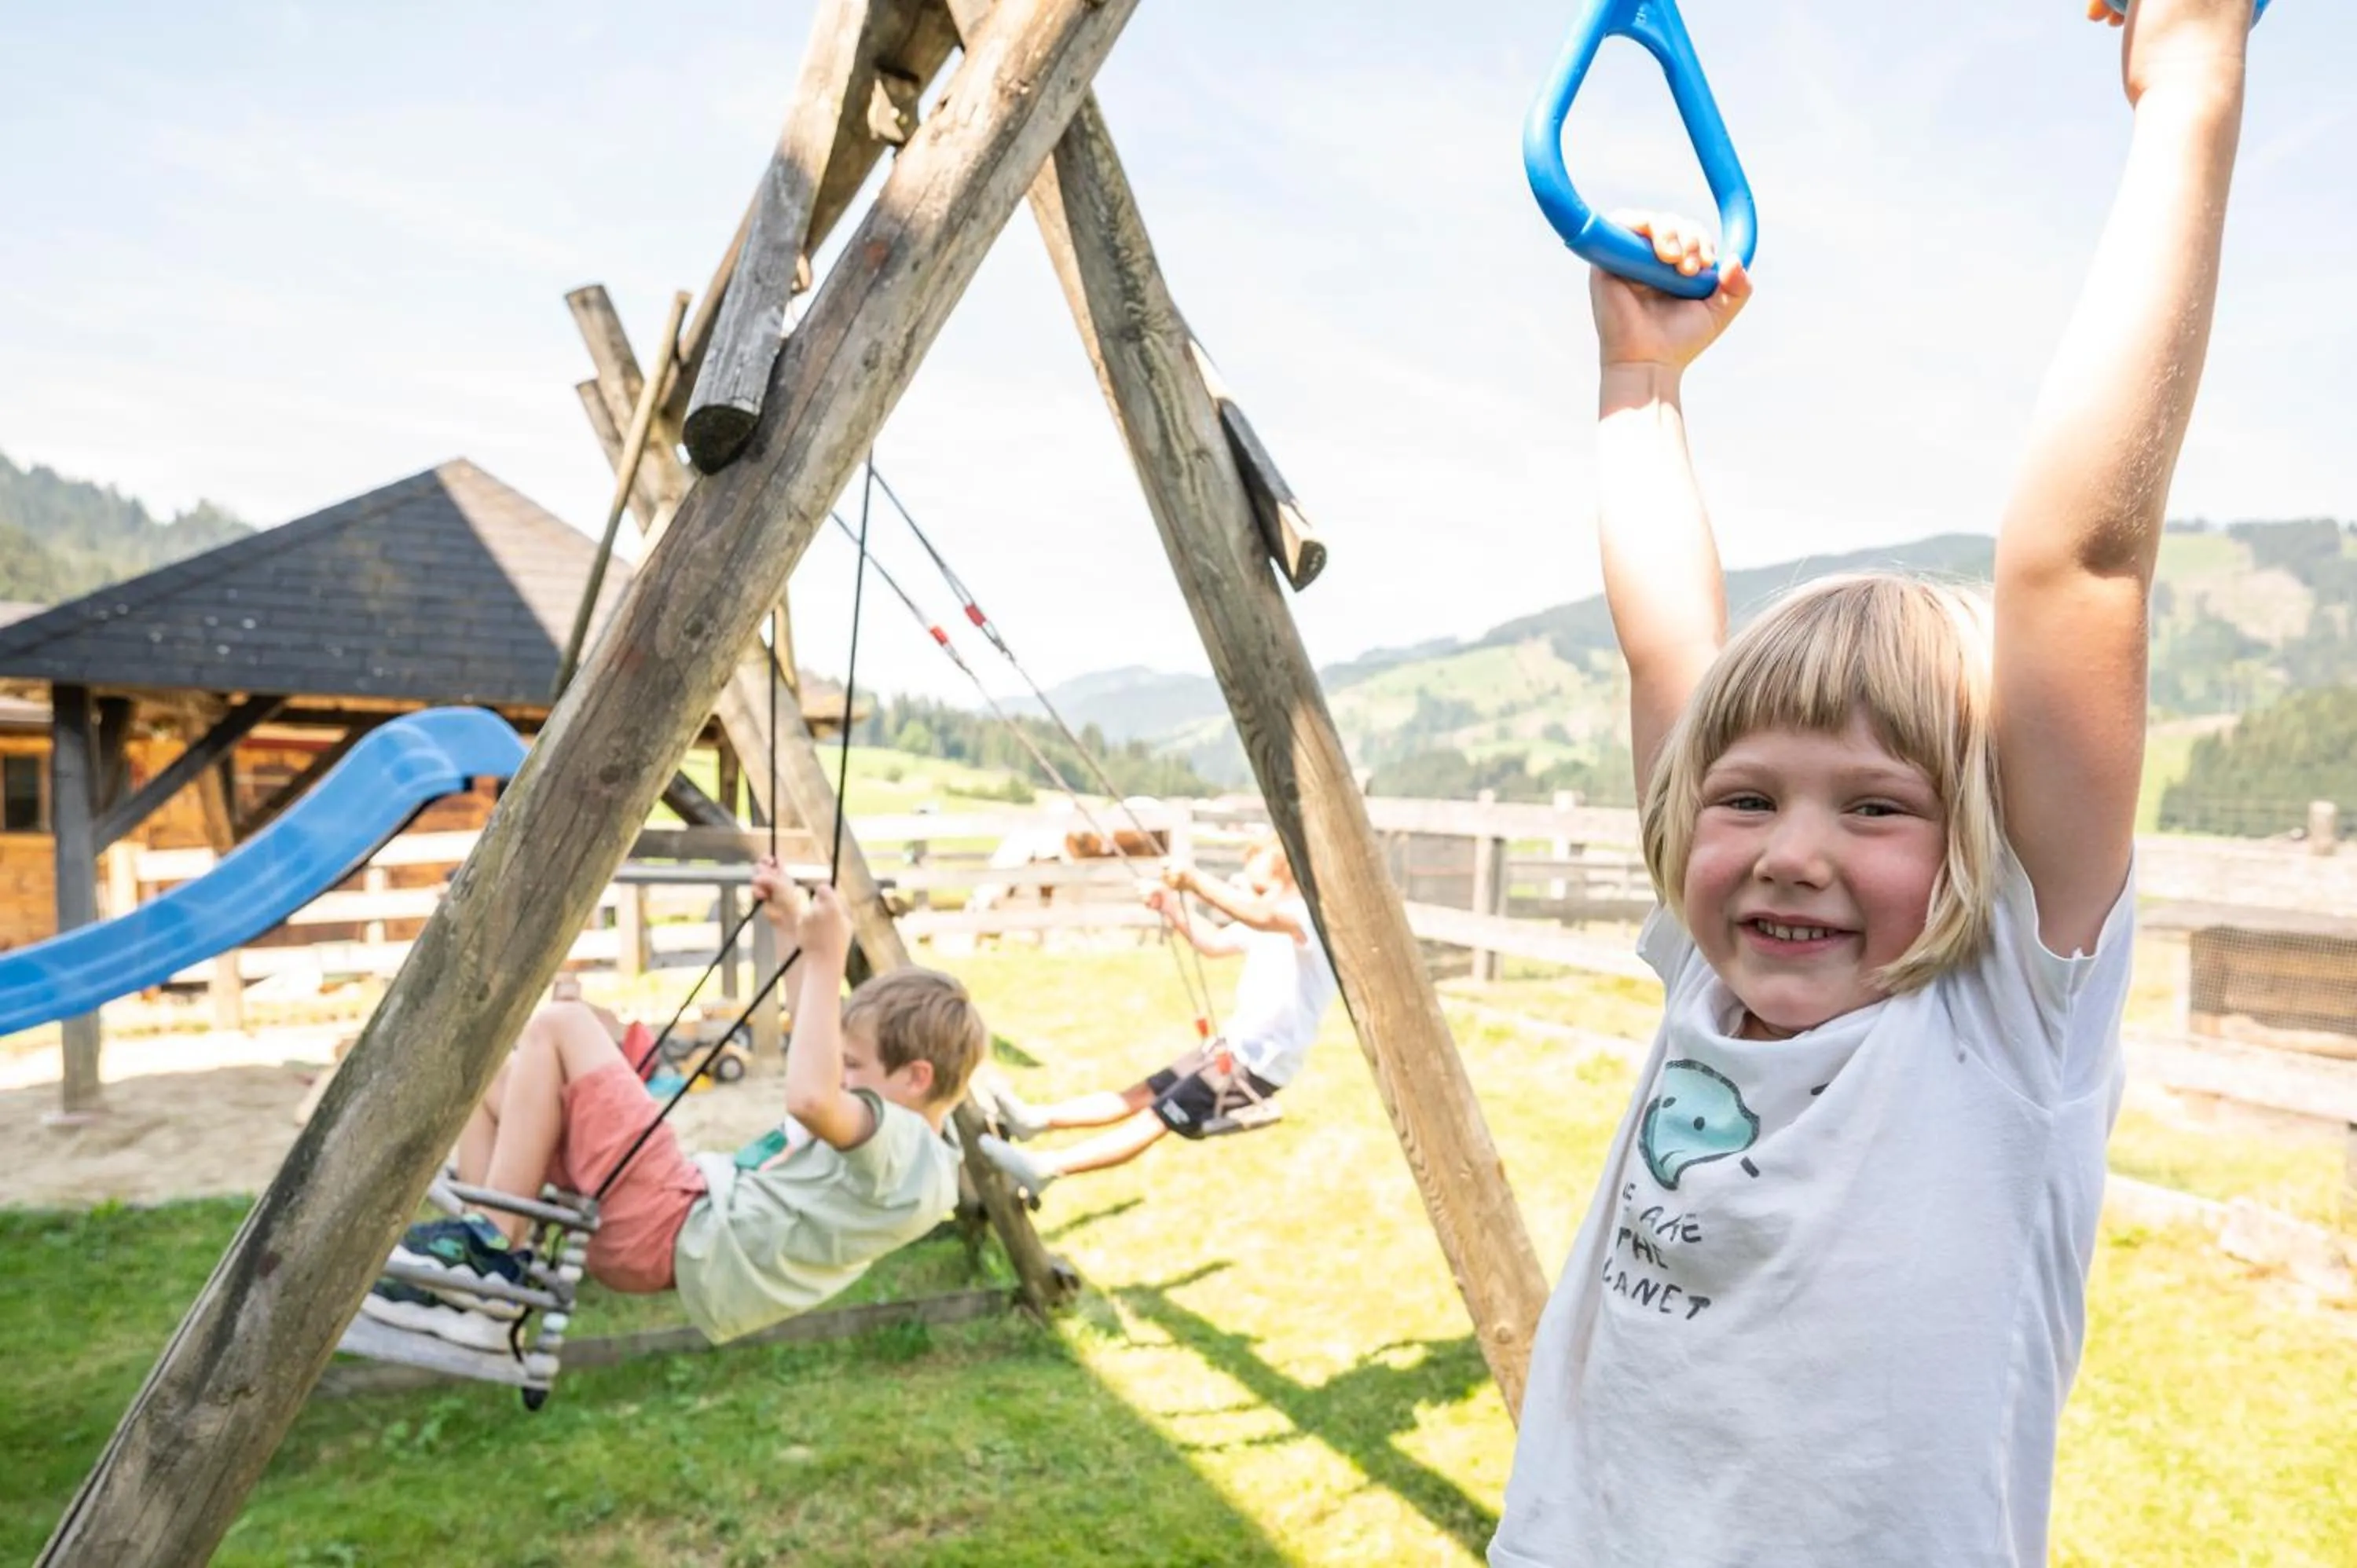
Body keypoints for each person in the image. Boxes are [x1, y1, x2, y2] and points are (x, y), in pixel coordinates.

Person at [1490, 5, 2254, 1563]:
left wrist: (2190, 82)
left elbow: (2078, 561)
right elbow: (1666, 658)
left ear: (1979, 835)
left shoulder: (2002, 1023)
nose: (1793, 853)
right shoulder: (1701, 969)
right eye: (1749, 797)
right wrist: (1640, 377)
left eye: (1878, 805)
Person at [361, 862, 983, 1350]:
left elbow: (812, 1094)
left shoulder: (907, 1151)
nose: (840, 1075)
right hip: (663, 1229)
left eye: (855, 1067)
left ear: (915, 1078)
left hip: (672, 1224)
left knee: (563, 1023)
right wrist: (792, 931)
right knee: (493, 1084)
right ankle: (481, 1290)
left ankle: (492, 1261)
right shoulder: (905, 1149)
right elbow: (820, 1058)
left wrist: (824, 957)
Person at [976, 836, 1337, 1196]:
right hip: (1232, 1048)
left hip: (1257, 1066)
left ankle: (1047, 1169)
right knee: (1141, 1093)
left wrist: (1195, 881)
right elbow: (1212, 944)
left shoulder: (1306, 919)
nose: (1251, 894)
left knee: (1155, 1117)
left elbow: (1261, 914)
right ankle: (1034, 1121)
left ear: (1294, 882)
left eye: (1260, 887)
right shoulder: (1269, 918)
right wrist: (1170, 906)